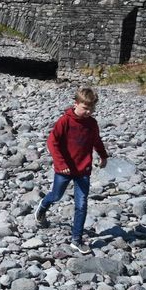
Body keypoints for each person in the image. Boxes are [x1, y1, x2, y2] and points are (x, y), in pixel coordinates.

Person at [35, 87, 109, 254]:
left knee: (81, 204)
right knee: (56, 195)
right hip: (64, 169)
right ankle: (43, 206)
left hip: (83, 169)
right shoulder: (65, 121)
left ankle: (77, 239)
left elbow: (96, 141)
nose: (88, 112)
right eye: (85, 108)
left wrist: (103, 156)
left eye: (92, 109)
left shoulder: (92, 124)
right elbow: (51, 142)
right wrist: (61, 164)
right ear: (76, 104)